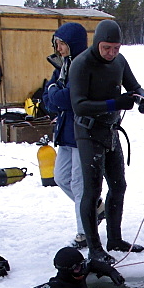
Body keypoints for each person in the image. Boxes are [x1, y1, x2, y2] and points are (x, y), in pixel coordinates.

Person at [69, 19, 144, 260]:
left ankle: (114, 239)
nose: (111, 53)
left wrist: (143, 99)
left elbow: (134, 86)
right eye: (107, 48)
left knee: (119, 186)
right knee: (92, 191)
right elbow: (79, 106)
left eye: (116, 48)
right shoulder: (82, 64)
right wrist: (115, 103)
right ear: (97, 43)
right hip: (88, 132)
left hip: (110, 130)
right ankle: (95, 249)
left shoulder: (119, 60)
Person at [42, 21, 97, 249]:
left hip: (81, 133)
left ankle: (84, 233)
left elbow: (67, 99)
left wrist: (54, 92)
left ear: (72, 44)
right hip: (65, 132)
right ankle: (95, 208)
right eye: (57, 43)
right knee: (60, 177)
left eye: (62, 43)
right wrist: (54, 93)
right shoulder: (62, 66)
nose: (59, 48)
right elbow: (48, 101)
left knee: (79, 184)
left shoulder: (83, 66)